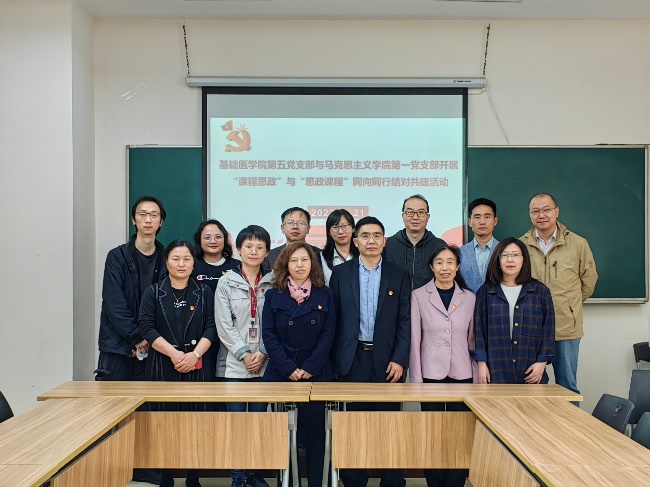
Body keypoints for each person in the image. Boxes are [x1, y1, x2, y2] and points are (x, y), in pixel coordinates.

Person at [330, 216, 410, 487]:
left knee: (388, 424)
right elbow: (334, 320)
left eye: (377, 236)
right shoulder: (341, 274)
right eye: (365, 236)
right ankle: (354, 480)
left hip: (387, 361)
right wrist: (336, 362)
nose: (371, 241)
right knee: (353, 425)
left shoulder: (398, 274)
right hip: (352, 359)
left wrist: (399, 359)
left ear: (384, 241)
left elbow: (405, 320)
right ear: (355, 241)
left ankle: (391, 480)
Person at [95, 195, 167, 485]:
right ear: (134, 220)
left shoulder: (167, 257)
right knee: (114, 408)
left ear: (161, 222)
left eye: (154, 215)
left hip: (155, 348)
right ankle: (113, 468)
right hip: (118, 347)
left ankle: (144, 467)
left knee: (148, 409)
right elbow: (114, 303)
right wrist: (137, 337)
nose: (148, 219)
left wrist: (151, 338)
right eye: (142, 214)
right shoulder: (117, 257)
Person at [138, 240, 216, 487]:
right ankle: (165, 477)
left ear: (194, 263)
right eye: (175, 258)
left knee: (195, 423)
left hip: (197, 365)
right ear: (166, 262)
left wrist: (195, 355)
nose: (181, 264)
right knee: (163, 423)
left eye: (187, 259)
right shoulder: (153, 292)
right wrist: (174, 354)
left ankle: (193, 477)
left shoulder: (204, 292)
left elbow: (212, 327)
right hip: (162, 365)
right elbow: (146, 327)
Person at [262, 242, 335, 487]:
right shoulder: (273, 294)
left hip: (316, 373)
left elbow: (328, 334)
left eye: (305, 260)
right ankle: (288, 483)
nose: (300, 265)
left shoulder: (325, 294)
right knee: (283, 436)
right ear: (285, 265)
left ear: (313, 264)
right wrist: (288, 368)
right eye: (294, 261)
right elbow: (269, 335)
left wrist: (310, 367)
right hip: (282, 373)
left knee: (316, 436)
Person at [520, 193, 597, 401]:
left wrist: (570, 305)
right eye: (536, 211)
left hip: (566, 328)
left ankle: (569, 424)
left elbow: (589, 282)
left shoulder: (578, 244)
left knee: (567, 386)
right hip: (531, 328)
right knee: (530, 386)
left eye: (546, 210)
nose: (541, 215)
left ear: (556, 212)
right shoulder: (521, 245)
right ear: (530, 215)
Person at [410, 245, 475, 487]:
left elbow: (473, 339)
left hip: (462, 373)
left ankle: (456, 482)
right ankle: (434, 483)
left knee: (460, 433)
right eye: (439, 262)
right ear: (431, 267)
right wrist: (416, 379)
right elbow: (415, 339)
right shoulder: (418, 296)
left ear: (457, 267)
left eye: (450, 262)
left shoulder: (470, 298)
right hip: (431, 373)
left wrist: (476, 377)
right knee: (432, 432)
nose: (444, 267)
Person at [215, 225, 274, 487]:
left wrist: (261, 352)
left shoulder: (274, 282)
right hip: (235, 365)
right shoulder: (226, 281)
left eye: (259, 247)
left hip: (265, 364)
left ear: (267, 252)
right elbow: (223, 324)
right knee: (237, 424)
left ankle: (255, 473)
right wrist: (244, 354)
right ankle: (238, 475)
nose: (253, 251)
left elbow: (276, 324)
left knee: (258, 424)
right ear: (239, 250)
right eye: (248, 246)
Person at [473, 237, 555, 385]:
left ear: (524, 259)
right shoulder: (485, 292)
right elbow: (479, 331)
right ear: (498, 260)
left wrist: (542, 362)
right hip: (495, 369)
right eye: (505, 255)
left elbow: (548, 330)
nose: (510, 260)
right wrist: (481, 363)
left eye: (515, 255)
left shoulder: (540, 291)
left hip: (531, 370)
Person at [192, 219, 239, 383]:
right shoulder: (192, 266)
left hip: (230, 337)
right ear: (199, 240)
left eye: (218, 237)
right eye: (207, 237)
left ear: (225, 239)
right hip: (199, 336)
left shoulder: (237, 267)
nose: (213, 241)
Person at [384, 194, 446, 291]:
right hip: (396, 299)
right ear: (403, 216)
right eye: (410, 212)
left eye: (421, 212)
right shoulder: (388, 245)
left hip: (429, 299)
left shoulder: (440, 246)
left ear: (428, 217)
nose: (415, 217)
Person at [459, 198, 499, 293]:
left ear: (495, 221)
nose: (482, 222)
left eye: (487, 217)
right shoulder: (459, 253)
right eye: (477, 217)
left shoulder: (504, 250)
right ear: (469, 222)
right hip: (467, 302)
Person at [319, 209, 358, 285]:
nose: (340, 231)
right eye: (335, 227)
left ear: (353, 228)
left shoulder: (362, 256)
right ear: (329, 232)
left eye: (345, 226)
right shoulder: (320, 258)